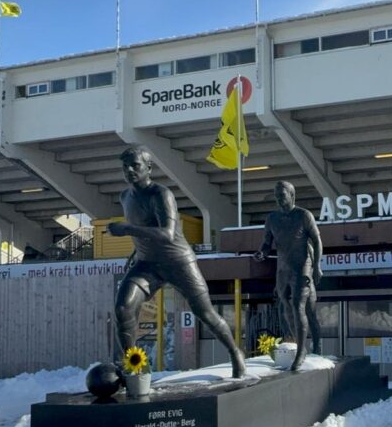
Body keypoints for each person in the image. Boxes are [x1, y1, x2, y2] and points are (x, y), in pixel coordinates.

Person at [108, 146, 246, 378]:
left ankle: (235, 353)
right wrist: (134, 252)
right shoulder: (125, 196)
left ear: (149, 168)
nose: (130, 170)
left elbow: (167, 234)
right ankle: (135, 368)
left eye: (135, 165)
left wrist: (127, 229)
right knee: (123, 308)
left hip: (178, 262)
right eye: (125, 167)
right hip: (147, 264)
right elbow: (142, 231)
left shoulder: (161, 195)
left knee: (206, 313)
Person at [254, 180, 323, 371]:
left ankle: (306, 350)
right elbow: (267, 243)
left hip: (302, 267)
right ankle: (301, 345)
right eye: (276, 196)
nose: (278, 199)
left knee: (301, 307)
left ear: (292, 195)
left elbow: (317, 241)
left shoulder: (303, 216)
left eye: (281, 195)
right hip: (282, 269)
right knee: (285, 305)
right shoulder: (272, 219)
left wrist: (317, 266)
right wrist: (262, 252)